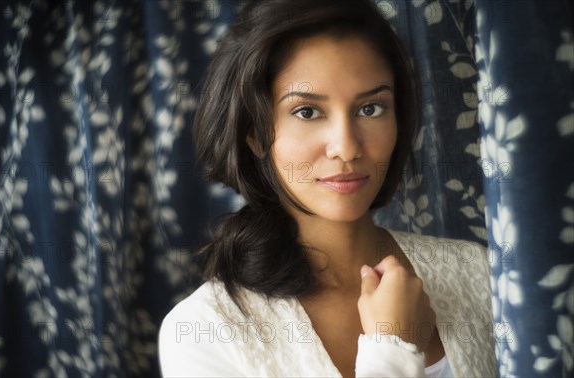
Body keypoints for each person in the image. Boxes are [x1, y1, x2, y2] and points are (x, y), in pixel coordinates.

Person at [158, 0, 496, 376]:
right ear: (254, 134)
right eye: (307, 112)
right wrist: (393, 347)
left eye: (371, 108)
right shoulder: (203, 331)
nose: (347, 147)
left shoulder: (477, 274)